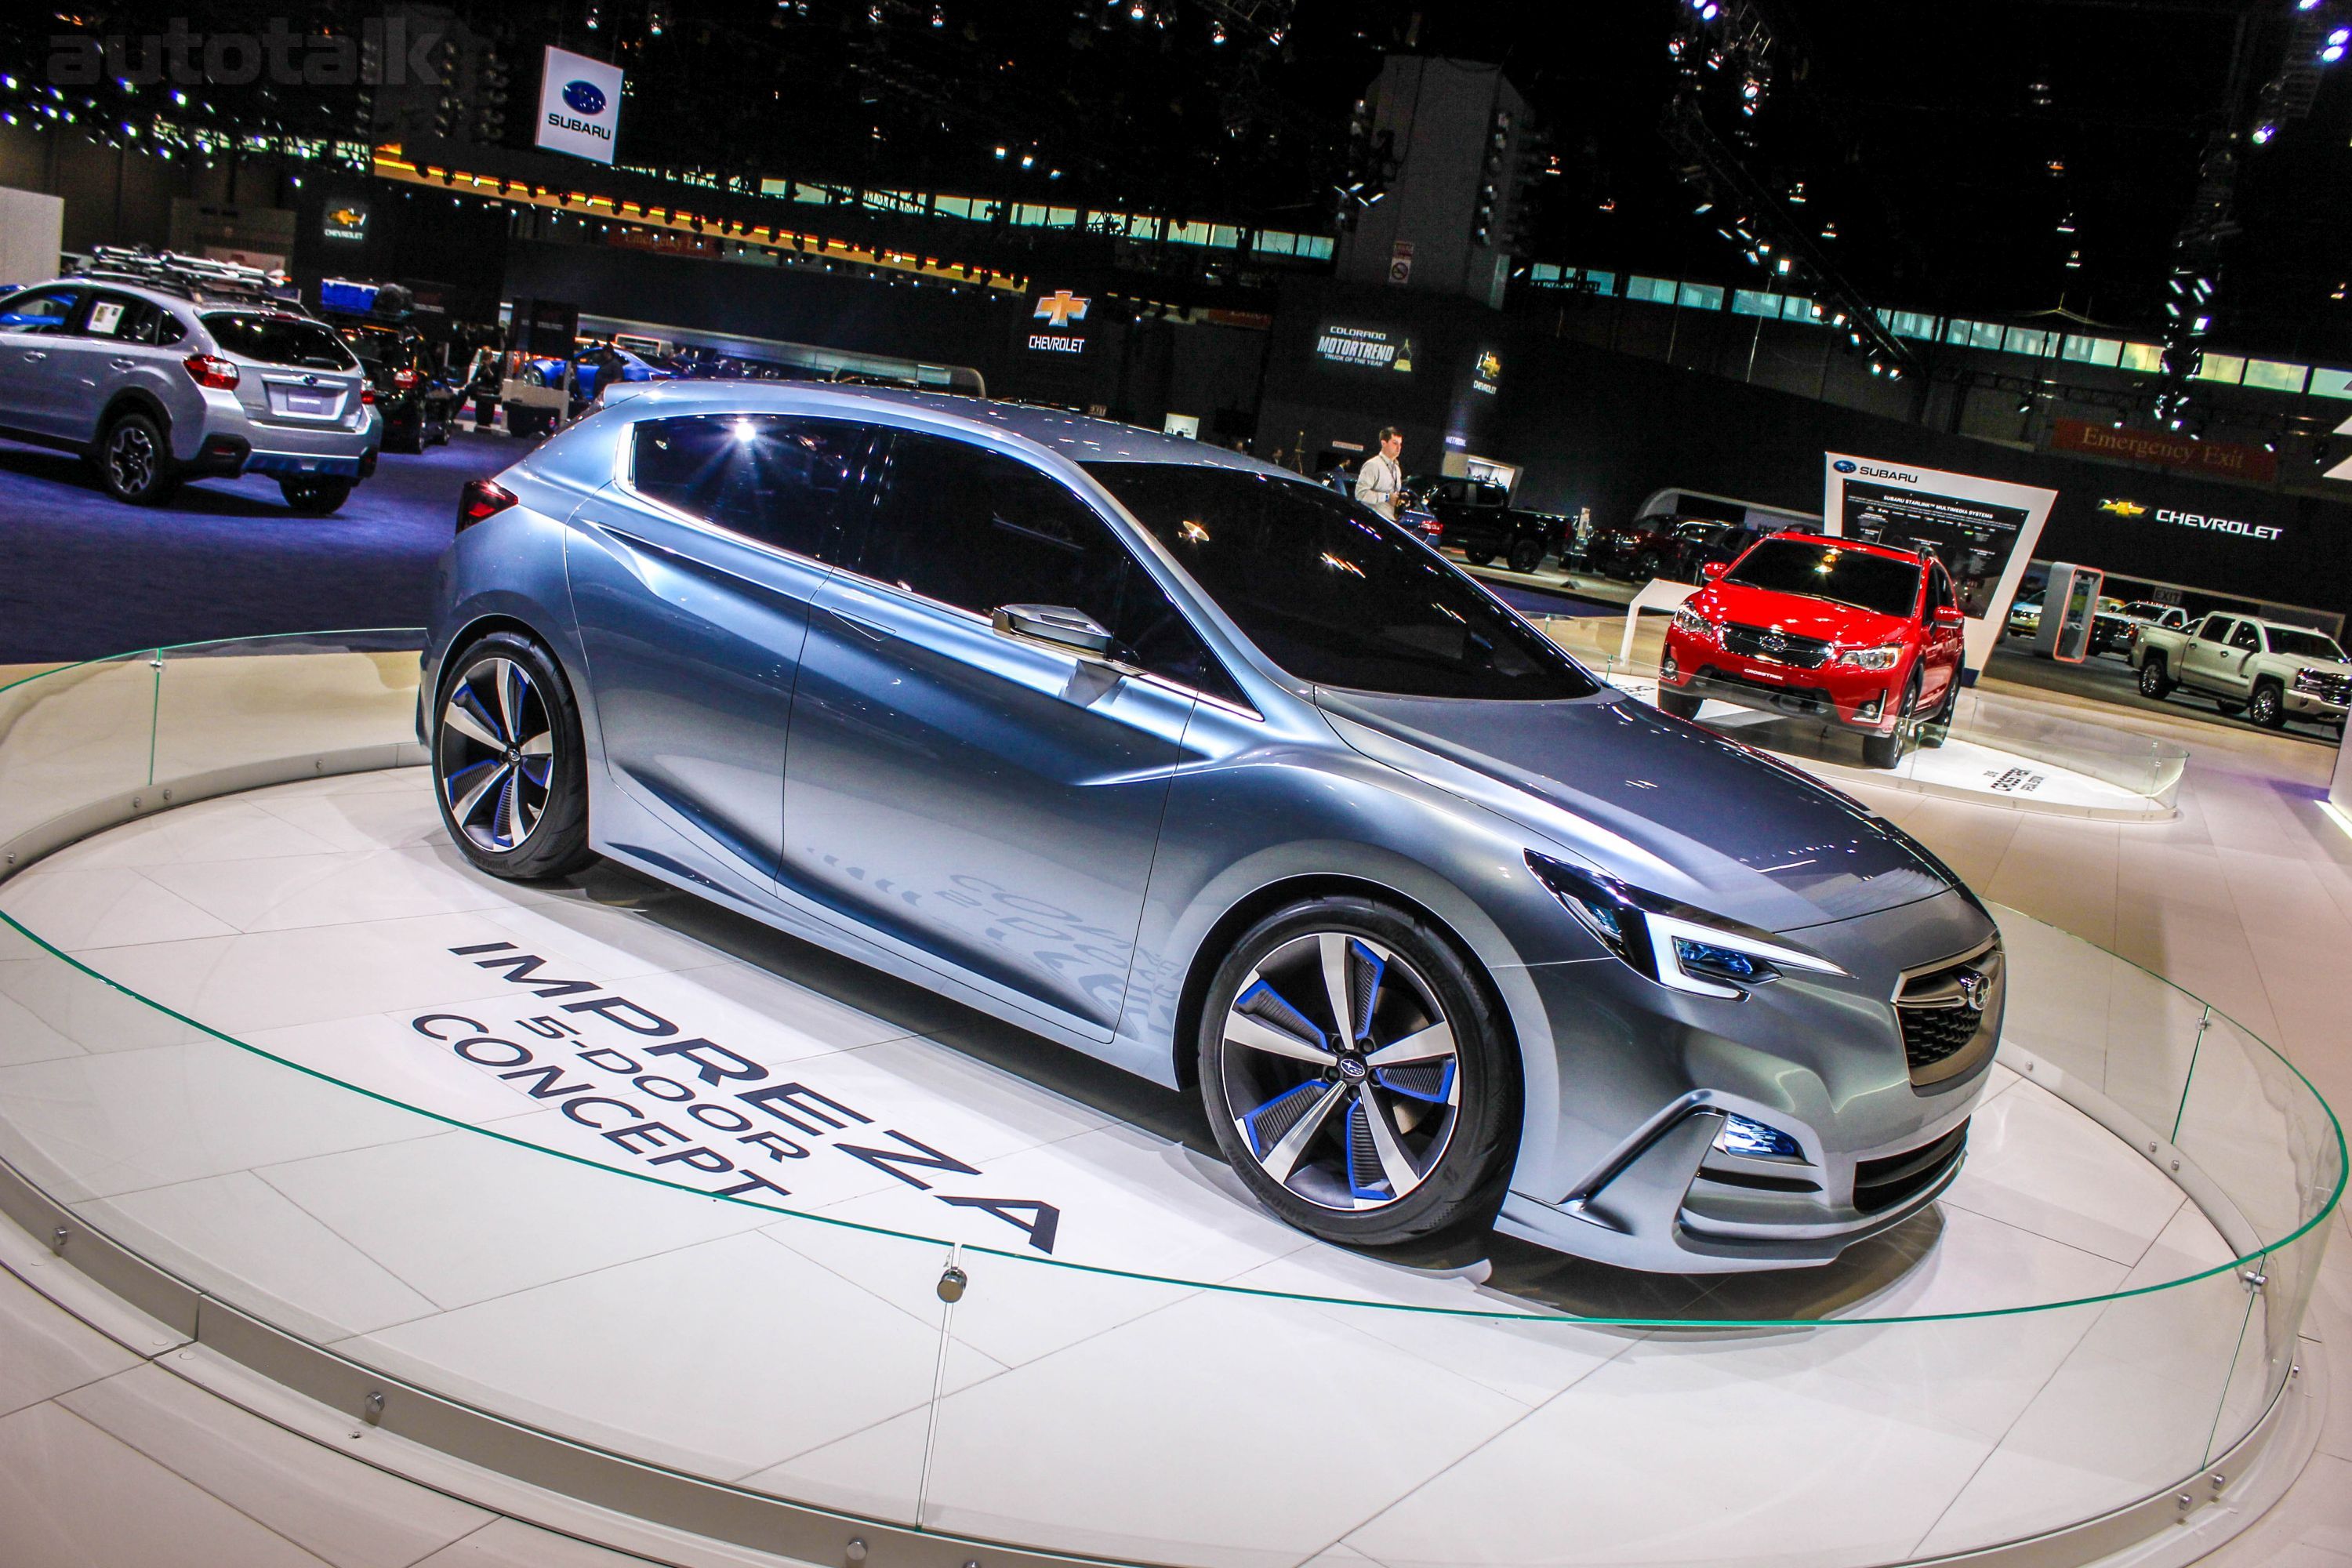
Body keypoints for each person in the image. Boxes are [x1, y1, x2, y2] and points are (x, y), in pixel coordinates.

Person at [1354, 426, 1405, 520]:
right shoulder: (1373, 465)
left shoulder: (1397, 469)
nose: (1399, 448)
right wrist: (1386, 497)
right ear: (1383, 443)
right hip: (1373, 520)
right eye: (1395, 443)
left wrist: (1400, 499)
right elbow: (1360, 494)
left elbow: (1393, 495)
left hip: (1391, 522)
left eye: (1400, 444)